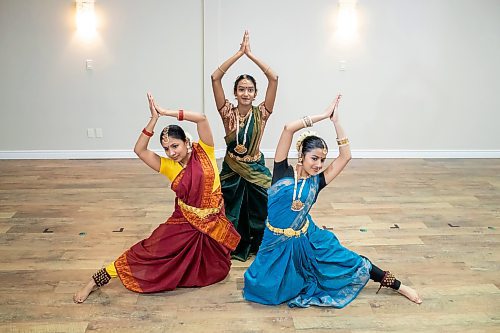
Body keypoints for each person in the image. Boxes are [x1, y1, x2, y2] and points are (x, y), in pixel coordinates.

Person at [243, 96, 422, 307]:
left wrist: (336, 123)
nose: (319, 165)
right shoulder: (281, 172)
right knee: (260, 288)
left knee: (350, 261)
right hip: (273, 241)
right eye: (314, 158)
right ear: (301, 155)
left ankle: (397, 285)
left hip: (306, 237)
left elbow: (345, 156)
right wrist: (323, 115)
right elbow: (288, 128)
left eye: (322, 160)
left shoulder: (317, 182)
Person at [73, 93, 240, 303]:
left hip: (214, 221)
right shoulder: (169, 166)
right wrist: (154, 119)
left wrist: (167, 112)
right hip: (185, 222)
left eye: (175, 146)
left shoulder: (205, 150)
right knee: (149, 251)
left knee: (215, 266)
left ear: (186, 142)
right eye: (166, 149)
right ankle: (95, 280)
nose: (171, 152)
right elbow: (139, 150)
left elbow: (201, 119)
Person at [211, 30, 278, 261]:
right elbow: (214, 78)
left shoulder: (262, 113)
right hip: (232, 169)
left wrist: (251, 55)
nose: (246, 93)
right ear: (235, 93)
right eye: (241, 89)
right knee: (231, 212)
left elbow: (274, 79)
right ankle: (232, 245)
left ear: (255, 93)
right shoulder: (227, 112)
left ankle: (260, 245)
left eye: (250, 90)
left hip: (255, 169)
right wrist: (238, 54)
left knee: (261, 209)